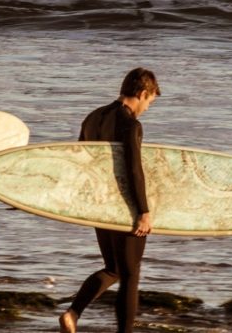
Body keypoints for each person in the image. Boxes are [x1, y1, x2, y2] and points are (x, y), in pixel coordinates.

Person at [59, 67, 160, 333]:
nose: (147, 108)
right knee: (130, 276)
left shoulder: (93, 118)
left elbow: (80, 162)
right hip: (124, 208)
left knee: (114, 268)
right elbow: (134, 170)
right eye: (149, 101)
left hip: (100, 206)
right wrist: (144, 212)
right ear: (141, 93)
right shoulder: (130, 124)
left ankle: (72, 314)